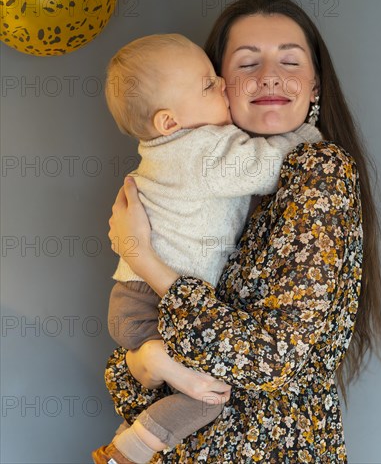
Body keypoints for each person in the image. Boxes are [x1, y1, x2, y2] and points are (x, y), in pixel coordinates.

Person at [102, 0, 381, 463]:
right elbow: (126, 380)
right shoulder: (200, 181)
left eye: (290, 60)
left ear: (315, 85)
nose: (270, 75)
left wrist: (144, 261)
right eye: (247, 62)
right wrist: (146, 361)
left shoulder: (320, 170)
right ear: (222, 84)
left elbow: (268, 359)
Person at [93, 33, 322, 464]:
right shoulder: (203, 151)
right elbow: (270, 165)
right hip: (154, 303)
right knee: (210, 393)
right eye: (208, 85)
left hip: (133, 300)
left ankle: (145, 392)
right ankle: (130, 447)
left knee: (184, 388)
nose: (222, 87)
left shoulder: (165, 151)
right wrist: (307, 133)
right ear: (169, 121)